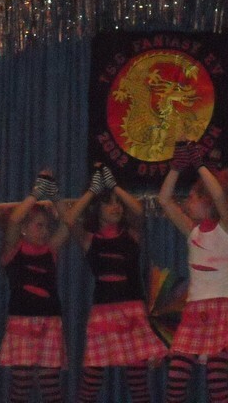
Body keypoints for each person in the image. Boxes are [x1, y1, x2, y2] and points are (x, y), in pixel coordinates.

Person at [62, 164, 166, 403]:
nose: (116, 207)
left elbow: (138, 210)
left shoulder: (132, 235)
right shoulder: (91, 240)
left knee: (138, 382)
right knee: (91, 381)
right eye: (108, 203)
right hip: (103, 313)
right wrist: (92, 191)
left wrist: (115, 187)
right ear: (97, 209)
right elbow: (69, 219)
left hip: (132, 311)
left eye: (118, 203)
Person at [158, 142, 228, 403]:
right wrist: (176, 167)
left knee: (217, 380)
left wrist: (199, 165)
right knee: (176, 376)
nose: (186, 202)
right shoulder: (192, 231)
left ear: (206, 201)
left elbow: (219, 195)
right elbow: (164, 200)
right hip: (194, 310)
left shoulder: (226, 229)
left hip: (222, 309)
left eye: (192, 197)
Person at [0, 171, 69, 403]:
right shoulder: (14, 250)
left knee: (51, 387)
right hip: (22, 321)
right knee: (21, 385)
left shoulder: (51, 250)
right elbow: (13, 220)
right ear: (24, 229)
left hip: (50, 321)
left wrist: (55, 196)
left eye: (47, 227)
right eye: (39, 226)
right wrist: (36, 193)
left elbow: (68, 224)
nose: (45, 231)